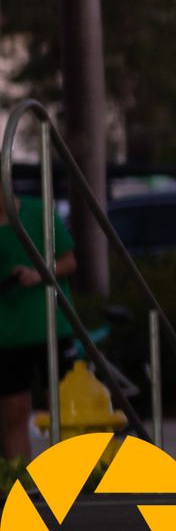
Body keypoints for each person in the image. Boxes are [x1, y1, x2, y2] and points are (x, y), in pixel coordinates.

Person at [0, 194, 76, 462]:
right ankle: (18, 478)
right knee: (14, 410)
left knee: (65, 406)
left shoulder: (38, 212)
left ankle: (74, 472)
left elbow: (68, 260)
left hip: (51, 327)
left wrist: (38, 273)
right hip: (8, 335)